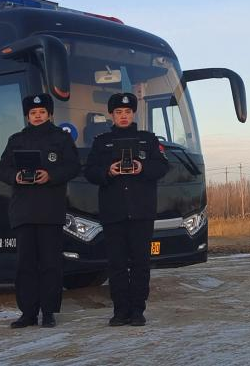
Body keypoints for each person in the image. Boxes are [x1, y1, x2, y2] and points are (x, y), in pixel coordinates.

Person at [84, 92, 169, 326]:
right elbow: (89, 171)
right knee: (117, 264)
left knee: (141, 263)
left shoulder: (148, 140)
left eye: (127, 112)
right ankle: (120, 311)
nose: (123, 116)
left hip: (141, 213)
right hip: (114, 213)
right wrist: (108, 171)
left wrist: (142, 167)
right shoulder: (102, 142)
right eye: (119, 112)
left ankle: (138, 310)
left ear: (134, 113)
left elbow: (162, 167)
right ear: (111, 115)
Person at [0, 93, 80, 328]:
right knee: (25, 265)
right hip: (23, 212)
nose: (38, 116)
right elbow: (2, 169)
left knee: (51, 264)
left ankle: (49, 312)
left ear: (50, 114)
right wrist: (16, 176)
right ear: (27, 116)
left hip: (50, 212)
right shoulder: (16, 140)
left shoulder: (60, 139)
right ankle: (28, 313)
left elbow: (74, 166)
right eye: (33, 113)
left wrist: (50, 175)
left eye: (42, 112)